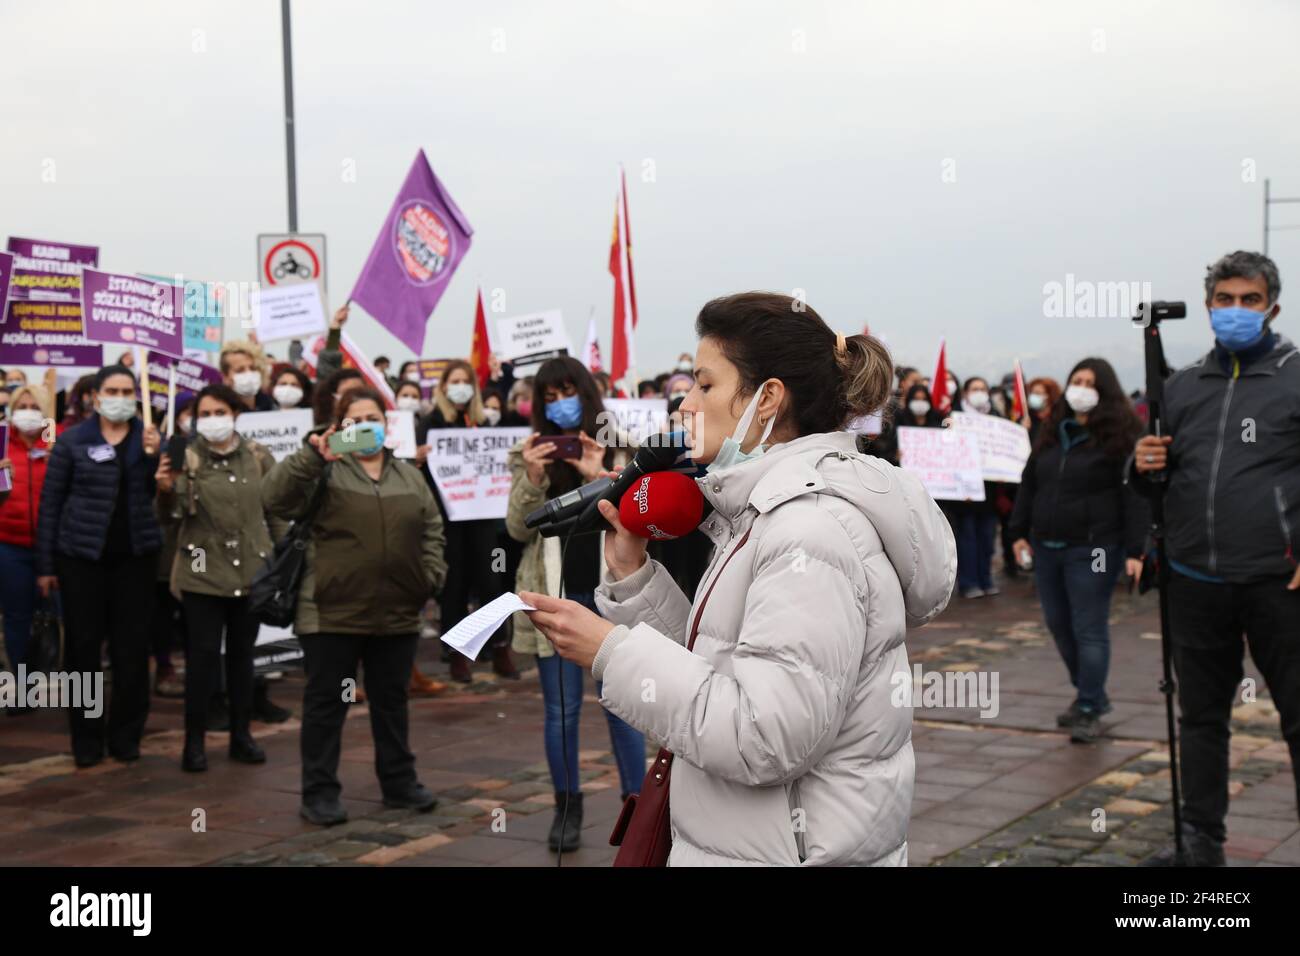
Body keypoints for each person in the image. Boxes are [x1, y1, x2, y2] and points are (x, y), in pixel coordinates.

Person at [521, 292, 956, 866]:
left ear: (767, 398)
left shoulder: (809, 531)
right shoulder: (765, 512)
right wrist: (633, 579)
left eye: (705, 385)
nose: (685, 404)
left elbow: (763, 737)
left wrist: (611, 653)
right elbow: (721, 668)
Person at [1132, 250, 1300, 867]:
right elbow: (1157, 477)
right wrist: (1141, 464)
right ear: (1207, 308)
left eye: (1248, 300)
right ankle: (1199, 847)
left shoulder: (1294, 377)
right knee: (1200, 720)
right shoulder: (1181, 386)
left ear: (1272, 307)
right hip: (1195, 579)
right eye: (1224, 300)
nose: (1235, 310)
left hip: (1279, 582)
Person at [262, 386, 447, 825]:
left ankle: (400, 783)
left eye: (373, 418)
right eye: (354, 419)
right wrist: (312, 458)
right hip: (331, 612)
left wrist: (429, 576)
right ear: (340, 427)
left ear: (386, 425)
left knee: (391, 702)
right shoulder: (325, 470)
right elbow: (274, 498)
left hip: (397, 612)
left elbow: (432, 529)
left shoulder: (408, 474)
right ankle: (320, 792)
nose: (366, 426)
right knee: (327, 704)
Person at [504, 356, 646, 853]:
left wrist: (599, 473)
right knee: (561, 710)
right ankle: (568, 806)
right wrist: (532, 477)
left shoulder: (624, 449)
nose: (559, 403)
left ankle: (638, 804)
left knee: (623, 705)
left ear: (585, 395)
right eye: (548, 396)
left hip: (610, 595)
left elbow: (637, 519)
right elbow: (518, 529)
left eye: (567, 391)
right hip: (557, 594)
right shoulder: (528, 455)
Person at [1009, 359, 1147, 743]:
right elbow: (1029, 483)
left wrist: (1137, 550)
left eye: (1089, 382)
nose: (1081, 388)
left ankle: (1088, 706)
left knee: (1089, 627)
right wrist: (1018, 531)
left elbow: (1134, 497)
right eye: (1076, 381)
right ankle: (1092, 694)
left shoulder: (1121, 438)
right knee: (1059, 624)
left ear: (1104, 390)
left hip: (1095, 548)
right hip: (1047, 545)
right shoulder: (1053, 433)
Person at [36, 365, 163, 767]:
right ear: (95, 395)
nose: (120, 397)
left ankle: (126, 736)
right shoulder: (73, 441)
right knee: (83, 650)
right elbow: (51, 504)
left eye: (128, 390)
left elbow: (155, 495)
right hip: (81, 560)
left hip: (135, 561)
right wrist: (46, 564)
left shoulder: (148, 440)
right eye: (112, 389)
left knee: (131, 650)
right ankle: (86, 740)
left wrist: (154, 456)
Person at [155, 384, 286, 771]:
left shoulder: (258, 455)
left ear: (235, 414)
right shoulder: (186, 457)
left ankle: (241, 736)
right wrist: (164, 489)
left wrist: (280, 561)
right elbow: (169, 517)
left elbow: (275, 510)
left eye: (219, 412)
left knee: (243, 659)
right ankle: (194, 742)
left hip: (251, 568)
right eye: (204, 414)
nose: (212, 421)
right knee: (203, 658)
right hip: (201, 567)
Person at [420, 361, 518, 683]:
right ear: (444, 386)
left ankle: (499, 646)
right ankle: (457, 653)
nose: (460, 386)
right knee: (454, 585)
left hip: (483, 517)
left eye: (466, 381)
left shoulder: (482, 423)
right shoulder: (430, 422)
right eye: (454, 381)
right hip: (448, 519)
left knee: (492, 583)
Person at [0, 384, 56, 680]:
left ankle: (60, 678)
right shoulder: (2, 443)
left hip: (54, 546)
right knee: (17, 616)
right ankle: (21, 684)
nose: (27, 413)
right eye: (21, 407)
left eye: (34, 407)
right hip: (10, 544)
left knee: (58, 616)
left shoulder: (56, 445)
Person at [950, 376, 1005, 597]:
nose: (980, 392)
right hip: (963, 491)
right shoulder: (954, 417)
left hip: (989, 490)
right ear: (965, 393)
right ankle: (969, 582)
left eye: (983, 388)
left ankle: (986, 578)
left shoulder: (995, 418)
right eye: (974, 389)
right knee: (967, 538)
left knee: (986, 537)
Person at [219, 340, 274, 412]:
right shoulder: (221, 410)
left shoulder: (272, 405)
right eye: (240, 370)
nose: (249, 373)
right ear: (225, 377)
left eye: (253, 368)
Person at [1026, 375, 1062, 446]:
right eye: (1031, 393)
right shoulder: (1027, 417)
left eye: (1037, 393)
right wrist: (1023, 430)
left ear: (1049, 396)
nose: (1032, 396)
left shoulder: (1059, 420)